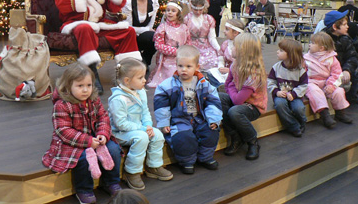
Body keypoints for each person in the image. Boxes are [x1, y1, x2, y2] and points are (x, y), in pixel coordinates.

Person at [55, 0, 142, 94]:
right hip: (75, 24)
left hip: (99, 25)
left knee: (128, 31)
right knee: (85, 28)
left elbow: (114, 9)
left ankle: (128, 74)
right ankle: (91, 74)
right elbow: (61, 5)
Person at [42, 63, 122, 204]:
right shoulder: (61, 105)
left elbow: (103, 117)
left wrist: (103, 134)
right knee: (83, 158)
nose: (85, 90)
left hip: (94, 136)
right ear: (67, 86)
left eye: (89, 85)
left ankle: (111, 182)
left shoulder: (93, 99)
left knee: (114, 149)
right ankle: (84, 189)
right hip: (72, 142)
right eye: (80, 86)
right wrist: (88, 141)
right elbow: (64, 131)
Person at [154, 45, 223, 174]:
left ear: (197, 67)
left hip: (200, 117)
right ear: (176, 65)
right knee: (182, 137)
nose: (183, 70)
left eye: (188, 66)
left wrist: (214, 119)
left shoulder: (204, 84)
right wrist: (164, 122)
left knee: (211, 132)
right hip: (179, 119)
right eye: (180, 66)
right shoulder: (167, 85)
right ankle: (187, 161)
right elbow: (161, 105)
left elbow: (213, 102)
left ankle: (205, 157)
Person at [108, 58, 173, 191]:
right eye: (140, 77)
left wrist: (148, 125)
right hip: (119, 133)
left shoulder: (140, 91)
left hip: (138, 128)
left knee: (158, 135)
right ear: (127, 81)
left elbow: (145, 112)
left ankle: (153, 166)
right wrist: (143, 129)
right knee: (142, 138)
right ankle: (131, 172)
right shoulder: (118, 99)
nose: (145, 80)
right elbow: (120, 124)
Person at [222, 33, 267, 160]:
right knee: (219, 98)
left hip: (254, 106)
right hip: (239, 99)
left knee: (235, 111)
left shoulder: (254, 73)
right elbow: (227, 85)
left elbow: (236, 99)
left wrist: (232, 86)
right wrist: (231, 87)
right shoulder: (235, 64)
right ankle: (235, 136)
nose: (232, 49)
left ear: (243, 51)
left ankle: (252, 141)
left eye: (234, 46)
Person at [304, 32, 352, 128]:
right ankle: (324, 114)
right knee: (314, 91)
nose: (310, 44)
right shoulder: (306, 58)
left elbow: (337, 74)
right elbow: (302, 73)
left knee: (339, 91)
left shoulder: (332, 59)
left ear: (321, 48)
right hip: (312, 82)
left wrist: (331, 85)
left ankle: (340, 112)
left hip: (327, 82)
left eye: (312, 43)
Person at [267, 39, 308, 137]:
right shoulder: (276, 67)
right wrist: (276, 92)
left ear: (290, 54)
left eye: (281, 50)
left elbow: (304, 85)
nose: (277, 52)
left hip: (295, 96)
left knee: (298, 108)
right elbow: (270, 82)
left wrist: (293, 94)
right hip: (280, 95)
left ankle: (302, 121)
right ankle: (293, 126)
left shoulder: (300, 70)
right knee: (280, 104)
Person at [147, 0, 191, 88]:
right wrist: (175, 51)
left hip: (182, 58)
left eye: (173, 11)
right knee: (173, 75)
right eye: (167, 10)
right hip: (167, 60)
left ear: (178, 13)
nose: (169, 12)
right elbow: (158, 45)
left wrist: (185, 52)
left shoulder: (184, 28)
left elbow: (188, 43)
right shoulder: (163, 28)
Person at [122, 0, 159, 69]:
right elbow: (128, 27)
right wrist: (145, 29)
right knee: (149, 34)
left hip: (144, 36)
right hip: (130, 36)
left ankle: (145, 61)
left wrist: (147, 30)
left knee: (154, 37)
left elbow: (151, 26)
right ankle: (137, 61)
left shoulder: (153, 2)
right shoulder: (129, 3)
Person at [323, 10, 358, 106]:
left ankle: (350, 98)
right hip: (327, 72)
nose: (348, 26)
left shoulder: (345, 39)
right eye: (345, 24)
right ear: (335, 27)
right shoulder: (322, 40)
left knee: (354, 73)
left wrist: (347, 70)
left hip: (341, 70)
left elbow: (352, 56)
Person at [184, 0, 219, 71]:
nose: (198, 12)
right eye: (195, 9)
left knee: (213, 60)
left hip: (206, 46)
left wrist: (218, 48)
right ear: (191, 7)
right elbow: (184, 37)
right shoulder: (187, 19)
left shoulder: (209, 19)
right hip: (191, 46)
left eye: (200, 10)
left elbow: (212, 37)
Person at [207, 19, 245, 88]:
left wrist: (230, 71)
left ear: (235, 33)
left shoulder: (243, 46)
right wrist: (221, 67)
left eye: (227, 29)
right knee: (210, 72)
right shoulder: (225, 44)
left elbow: (244, 66)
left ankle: (224, 88)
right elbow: (221, 57)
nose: (224, 31)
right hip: (225, 71)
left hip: (237, 73)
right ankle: (221, 86)